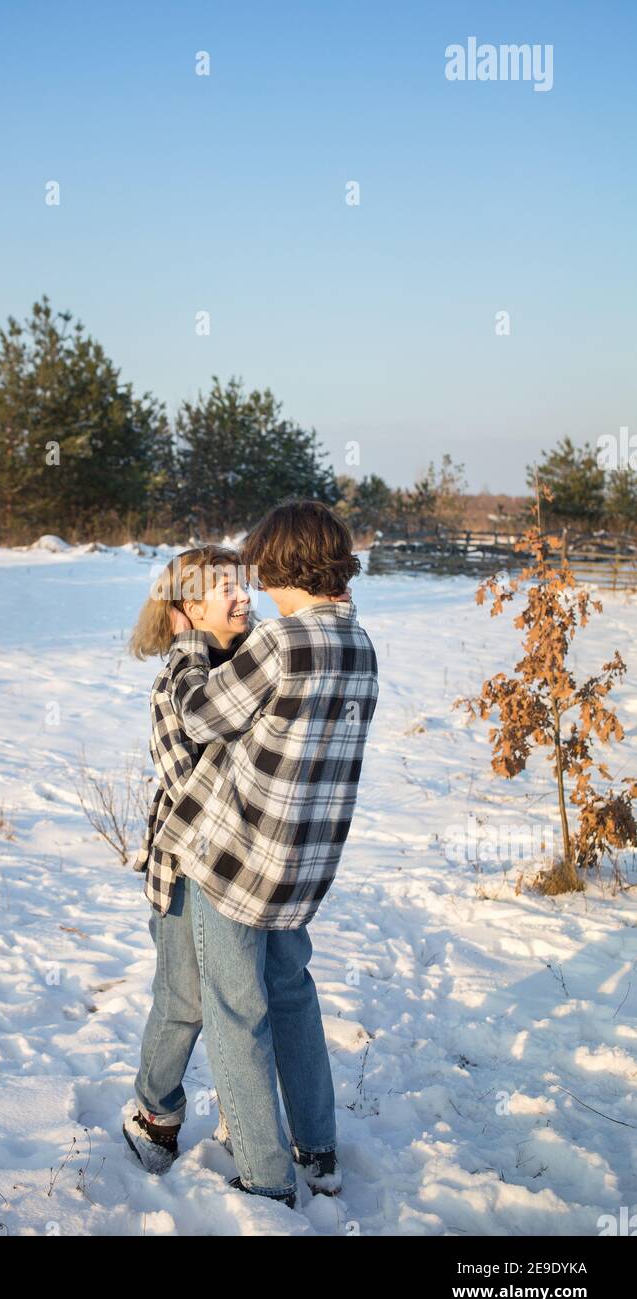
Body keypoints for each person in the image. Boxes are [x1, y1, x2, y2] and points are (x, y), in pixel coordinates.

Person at [156, 498, 379, 1207]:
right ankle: (317, 1152)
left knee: (235, 1010)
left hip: (235, 862)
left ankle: (265, 1176)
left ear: (287, 565)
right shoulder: (362, 645)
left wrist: (190, 646)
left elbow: (198, 714)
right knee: (293, 999)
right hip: (302, 867)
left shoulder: (281, 643)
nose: (256, 583)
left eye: (263, 566)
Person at [122, 545, 256, 1174]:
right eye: (223, 587)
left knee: (247, 998)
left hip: (249, 870)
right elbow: (187, 785)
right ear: (185, 610)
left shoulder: (258, 667)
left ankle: (244, 1108)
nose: (241, 597)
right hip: (183, 869)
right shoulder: (176, 686)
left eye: (242, 584)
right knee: (186, 1000)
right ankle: (155, 1108)